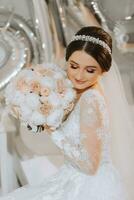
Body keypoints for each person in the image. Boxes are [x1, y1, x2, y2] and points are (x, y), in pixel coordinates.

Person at [0, 26, 128, 200]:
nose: (79, 75)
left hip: (90, 185)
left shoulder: (91, 100)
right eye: (74, 66)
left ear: (103, 71)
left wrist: (53, 131)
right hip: (74, 176)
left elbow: (91, 165)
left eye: (90, 70)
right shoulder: (77, 92)